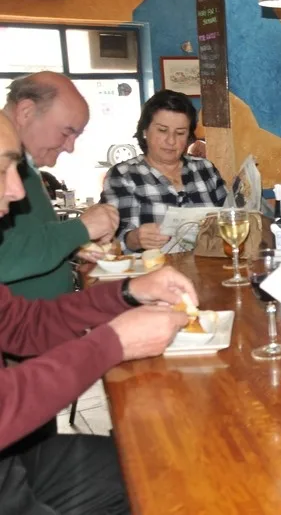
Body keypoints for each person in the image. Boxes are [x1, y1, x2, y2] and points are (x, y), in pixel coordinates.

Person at [0, 110, 195, 514]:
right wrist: (114, 343)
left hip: (12, 461)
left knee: (167, 469)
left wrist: (126, 292)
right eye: (2, 170)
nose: (18, 191)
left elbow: (22, 325)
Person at [0, 72, 120, 300]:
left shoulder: (26, 165)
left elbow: (25, 239)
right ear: (26, 112)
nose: (70, 147)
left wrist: (74, 246)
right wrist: (79, 229)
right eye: (67, 132)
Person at [101, 90, 228, 253]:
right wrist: (134, 239)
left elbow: (228, 217)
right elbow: (113, 241)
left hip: (208, 271)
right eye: (162, 130)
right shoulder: (124, 175)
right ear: (145, 131)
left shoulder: (205, 169)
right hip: (151, 273)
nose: (171, 141)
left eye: (180, 133)